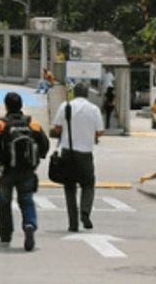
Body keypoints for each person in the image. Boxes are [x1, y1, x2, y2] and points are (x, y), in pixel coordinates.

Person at [0, 92, 50, 251]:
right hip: (27, 170)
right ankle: (29, 224)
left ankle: (5, 236)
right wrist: (37, 158)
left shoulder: (1, 124)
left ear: (6, 106)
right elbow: (45, 143)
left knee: (4, 202)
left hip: (7, 171)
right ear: (21, 105)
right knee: (27, 199)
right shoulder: (32, 122)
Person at [52, 82, 105, 232]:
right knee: (88, 184)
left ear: (74, 93)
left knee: (69, 188)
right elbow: (100, 131)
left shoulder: (65, 106)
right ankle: (85, 212)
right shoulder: (94, 109)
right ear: (87, 94)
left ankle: (73, 223)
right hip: (85, 153)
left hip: (68, 152)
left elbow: (57, 127)